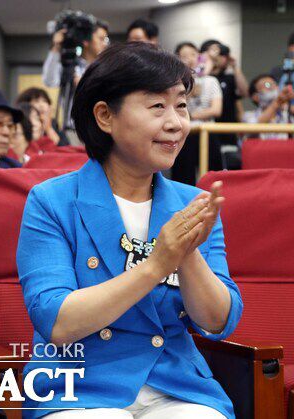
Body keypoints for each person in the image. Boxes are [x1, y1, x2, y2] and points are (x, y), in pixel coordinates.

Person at [17, 42, 241, 419]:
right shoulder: (51, 201)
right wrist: (156, 265)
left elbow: (218, 321)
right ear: (105, 116)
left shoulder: (194, 204)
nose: (176, 123)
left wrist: (187, 253)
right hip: (78, 385)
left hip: (176, 386)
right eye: (157, 106)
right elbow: (57, 321)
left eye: (181, 105)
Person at [174, 42, 223, 184]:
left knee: (213, 175)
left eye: (193, 54)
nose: (190, 59)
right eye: (184, 56)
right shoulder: (176, 82)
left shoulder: (211, 80)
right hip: (185, 133)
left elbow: (216, 110)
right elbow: (176, 108)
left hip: (208, 132)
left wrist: (192, 115)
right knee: (184, 176)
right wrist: (190, 88)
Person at [242, 74, 294, 139]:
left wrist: (287, 106)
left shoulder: (287, 113)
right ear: (256, 97)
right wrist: (277, 102)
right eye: (267, 85)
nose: (273, 88)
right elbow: (252, 128)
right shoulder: (248, 116)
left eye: (275, 84)